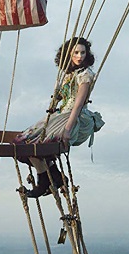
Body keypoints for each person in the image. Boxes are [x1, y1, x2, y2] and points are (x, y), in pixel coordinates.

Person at [15, 37, 105, 198]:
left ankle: (45, 181)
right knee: (24, 142)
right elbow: (59, 98)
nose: (80, 56)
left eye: (83, 53)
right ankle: (53, 176)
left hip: (74, 117)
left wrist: (67, 129)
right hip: (61, 113)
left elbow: (78, 105)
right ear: (68, 54)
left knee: (38, 144)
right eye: (76, 53)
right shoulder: (67, 75)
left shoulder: (85, 75)